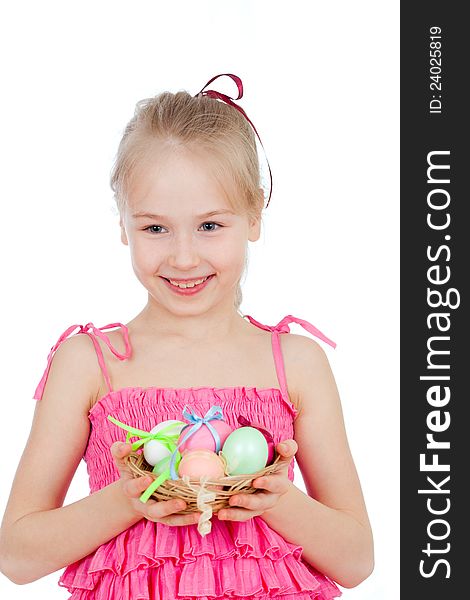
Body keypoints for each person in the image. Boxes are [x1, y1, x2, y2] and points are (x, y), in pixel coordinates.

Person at [0, 73, 374, 599]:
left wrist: (276, 500)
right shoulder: (90, 363)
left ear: (253, 216)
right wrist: (128, 501)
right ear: (123, 226)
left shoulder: (295, 362)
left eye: (210, 226)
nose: (182, 257)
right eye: (156, 228)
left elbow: (356, 560)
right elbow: (16, 555)